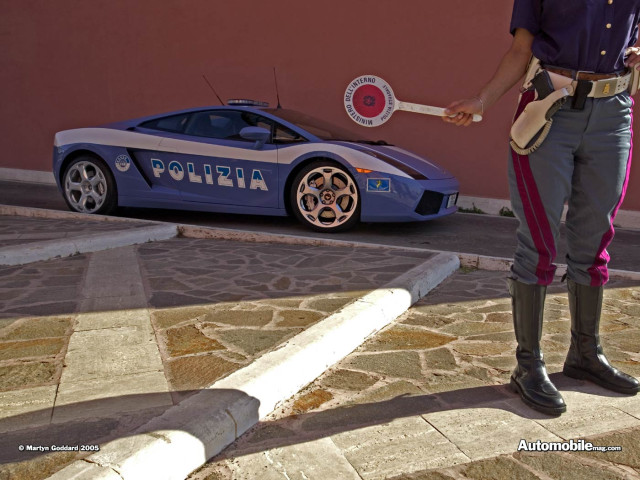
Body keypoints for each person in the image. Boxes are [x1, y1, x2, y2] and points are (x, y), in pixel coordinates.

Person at [443, 0, 640, 415]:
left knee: (594, 238)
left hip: (613, 114)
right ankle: (527, 365)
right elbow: (520, 50)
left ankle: (586, 355)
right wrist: (481, 100)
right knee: (539, 240)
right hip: (550, 111)